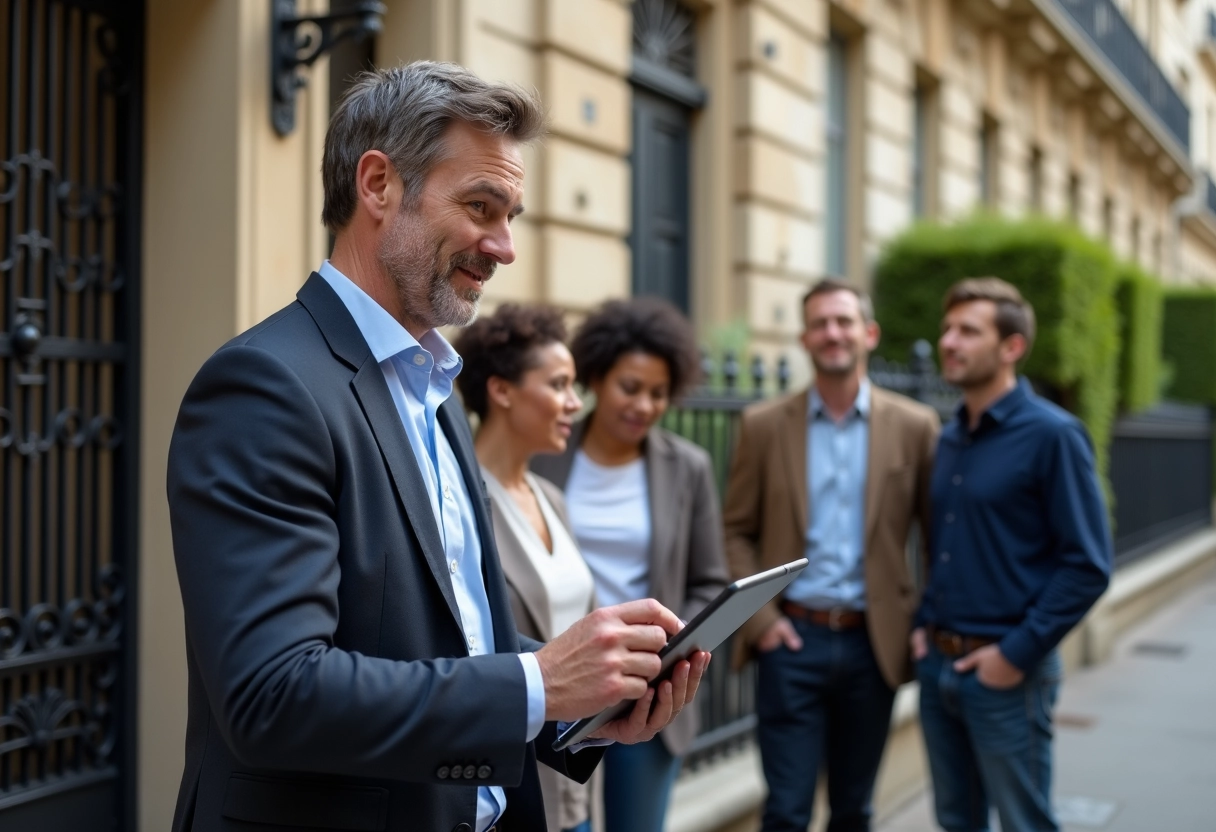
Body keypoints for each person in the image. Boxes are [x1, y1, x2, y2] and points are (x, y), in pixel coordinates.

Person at [166, 62, 709, 832]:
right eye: (481, 207)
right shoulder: (263, 386)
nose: (505, 246)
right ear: (379, 186)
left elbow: (447, 628)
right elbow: (272, 693)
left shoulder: (434, 387)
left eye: (512, 213)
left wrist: (585, 701)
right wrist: (539, 683)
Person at [722, 278, 940, 832]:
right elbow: (735, 531)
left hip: (875, 644)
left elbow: (937, 537)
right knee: (787, 811)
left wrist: (926, 620)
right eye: (820, 323)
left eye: (843, 322)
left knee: (854, 809)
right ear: (804, 338)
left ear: (869, 333)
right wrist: (764, 622)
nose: (832, 333)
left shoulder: (916, 427)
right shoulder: (764, 425)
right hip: (792, 640)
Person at [912, 277, 1112, 832]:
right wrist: (925, 624)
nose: (950, 341)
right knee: (956, 822)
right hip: (938, 667)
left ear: (1012, 347)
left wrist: (1014, 655)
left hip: (1008, 676)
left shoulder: (1054, 435)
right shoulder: (951, 435)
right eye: (947, 328)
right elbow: (945, 545)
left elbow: (1089, 566)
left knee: (1025, 823)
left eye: (968, 331)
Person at [532, 297, 731, 832]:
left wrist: (671, 651)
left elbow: (708, 580)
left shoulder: (687, 468)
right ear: (597, 376)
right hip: (561, 683)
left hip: (646, 692)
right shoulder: (543, 455)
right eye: (630, 387)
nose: (644, 404)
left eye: (658, 393)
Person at [453, 304, 597, 832]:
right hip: (512, 778)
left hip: (576, 771)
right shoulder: (459, 504)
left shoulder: (552, 498)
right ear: (503, 391)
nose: (574, 404)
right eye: (558, 385)